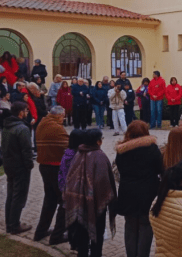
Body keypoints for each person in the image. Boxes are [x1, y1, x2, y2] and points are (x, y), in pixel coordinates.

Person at [64, 129, 117, 257]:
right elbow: (104, 184)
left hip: (79, 205)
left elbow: (69, 181)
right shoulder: (100, 156)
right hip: (96, 204)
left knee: (82, 237)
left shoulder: (78, 154)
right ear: (98, 141)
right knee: (97, 238)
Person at [115, 120, 162, 257]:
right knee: (146, 226)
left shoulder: (122, 150)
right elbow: (160, 168)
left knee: (130, 227)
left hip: (127, 192)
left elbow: (120, 169)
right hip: (147, 193)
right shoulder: (152, 149)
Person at [34, 106, 69, 245]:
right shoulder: (55, 127)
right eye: (63, 116)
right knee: (64, 201)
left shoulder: (43, 123)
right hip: (55, 167)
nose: (63, 119)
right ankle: (57, 235)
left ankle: (40, 231)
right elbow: (68, 144)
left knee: (50, 200)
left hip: (44, 166)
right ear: (60, 115)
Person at [2, 102, 34, 234]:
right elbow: (26, 150)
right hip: (20, 166)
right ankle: (14, 225)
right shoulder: (22, 128)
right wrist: (29, 164)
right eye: (26, 111)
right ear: (21, 112)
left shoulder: (7, 126)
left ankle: (10, 223)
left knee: (11, 194)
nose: (27, 113)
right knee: (19, 196)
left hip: (9, 164)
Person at [27, 83, 47, 153]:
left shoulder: (39, 98)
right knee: (37, 133)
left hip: (41, 117)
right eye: (38, 91)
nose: (39, 93)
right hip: (38, 117)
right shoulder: (35, 99)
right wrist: (45, 113)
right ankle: (36, 148)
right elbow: (39, 109)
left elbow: (44, 106)